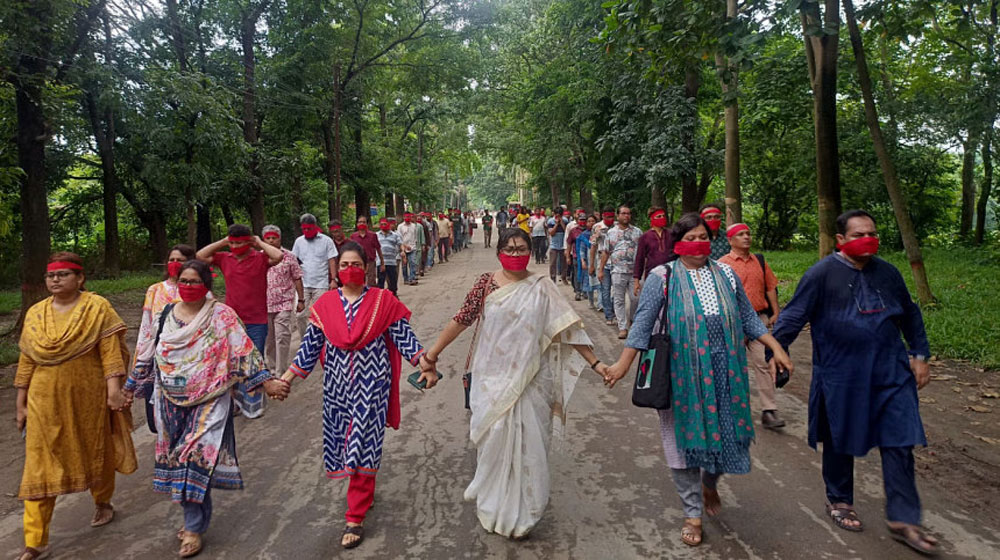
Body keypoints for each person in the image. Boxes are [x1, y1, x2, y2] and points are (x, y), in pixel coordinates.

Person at [603, 214, 794, 547]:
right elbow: (642, 326)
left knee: (729, 435)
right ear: (678, 243)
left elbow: (749, 319)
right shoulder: (661, 277)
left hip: (727, 373)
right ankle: (692, 512)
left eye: (703, 236)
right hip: (681, 376)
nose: (698, 243)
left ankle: (710, 482)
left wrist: (775, 347)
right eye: (690, 237)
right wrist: (622, 366)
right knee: (682, 443)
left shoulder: (727, 275)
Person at [769, 210, 938, 555]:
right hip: (842, 375)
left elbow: (910, 313)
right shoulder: (821, 274)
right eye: (859, 233)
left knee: (900, 441)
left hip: (891, 374)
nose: (868, 239)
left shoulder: (888, 272)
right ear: (841, 240)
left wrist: (919, 354)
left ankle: (904, 519)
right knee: (839, 438)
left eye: (872, 232)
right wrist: (777, 352)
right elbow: (793, 315)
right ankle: (840, 500)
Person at [421, 228, 607, 539]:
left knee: (529, 445)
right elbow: (462, 319)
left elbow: (567, 329)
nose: (517, 253)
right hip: (490, 378)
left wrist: (597, 364)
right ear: (499, 251)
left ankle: (525, 514)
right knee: (494, 441)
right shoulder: (486, 284)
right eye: (510, 248)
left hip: (530, 380)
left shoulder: (542, 287)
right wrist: (432, 353)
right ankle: (494, 507)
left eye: (522, 248)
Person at [123, 260, 288, 558]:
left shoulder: (222, 316)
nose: (187, 287)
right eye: (183, 281)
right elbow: (147, 351)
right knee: (180, 461)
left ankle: (193, 527)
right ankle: (195, 518)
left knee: (193, 459)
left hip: (211, 398)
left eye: (193, 281)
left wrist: (268, 384)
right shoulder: (164, 315)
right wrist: (129, 387)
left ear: (207, 285)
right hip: (169, 401)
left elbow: (244, 352)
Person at [280, 242, 433, 549]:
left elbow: (403, 336)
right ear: (337, 270)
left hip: (372, 388)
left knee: (363, 445)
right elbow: (309, 348)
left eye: (356, 264)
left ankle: (355, 515)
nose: (350, 269)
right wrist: (285, 379)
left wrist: (424, 363)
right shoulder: (324, 305)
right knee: (344, 444)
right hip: (336, 391)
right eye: (345, 264)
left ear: (367, 268)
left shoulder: (382, 301)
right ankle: (364, 490)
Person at [15, 252, 138, 560]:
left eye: (63, 274)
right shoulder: (35, 314)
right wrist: (20, 403)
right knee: (39, 466)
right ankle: (35, 539)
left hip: (88, 397)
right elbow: (27, 360)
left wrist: (114, 392)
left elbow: (111, 353)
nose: (55, 280)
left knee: (96, 450)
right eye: (50, 276)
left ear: (80, 278)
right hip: (42, 400)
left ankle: (102, 502)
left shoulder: (97, 308)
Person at [197, 224, 283, 418]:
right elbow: (200, 256)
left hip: (257, 319)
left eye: (239, 243)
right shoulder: (225, 258)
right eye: (232, 242)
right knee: (232, 362)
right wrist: (223, 242)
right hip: (232, 320)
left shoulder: (260, 258)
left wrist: (258, 241)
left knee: (255, 360)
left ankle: (254, 401)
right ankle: (235, 401)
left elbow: (277, 256)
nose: (235, 246)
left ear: (249, 242)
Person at [718, 223, 784, 429]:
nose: (746, 237)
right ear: (730, 240)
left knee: (763, 363)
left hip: (759, 320)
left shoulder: (759, 260)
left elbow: (770, 286)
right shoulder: (722, 264)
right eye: (740, 235)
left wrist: (776, 311)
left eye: (748, 233)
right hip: (733, 322)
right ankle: (730, 409)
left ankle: (769, 410)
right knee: (732, 365)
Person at [132, 244, 201, 432]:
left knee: (187, 414)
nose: (175, 264)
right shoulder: (155, 290)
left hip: (189, 362)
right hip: (159, 361)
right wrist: (140, 361)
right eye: (172, 260)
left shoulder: (199, 290)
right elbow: (146, 327)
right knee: (159, 420)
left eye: (180, 260)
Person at [263, 225, 305, 376]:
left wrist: (301, 300)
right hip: (264, 305)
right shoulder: (259, 257)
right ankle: (272, 368)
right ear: (263, 240)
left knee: (282, 337)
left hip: (284, 303)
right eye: (268, 238)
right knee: (269, 340)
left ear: (279, 238)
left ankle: (281, 371)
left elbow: (297, 278)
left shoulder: (289, 256)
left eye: (274, 237)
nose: (271, 240)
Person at [599, 205, 643, 339]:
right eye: (623, 213)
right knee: (619, 300)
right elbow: (606, 252)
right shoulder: (611, 233)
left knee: (636, 298)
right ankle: (622, 327)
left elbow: (642, 252)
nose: (626, 216)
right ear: (618, 216)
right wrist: (601, 270)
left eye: (628, 213)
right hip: (617, 271)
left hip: (635, 272)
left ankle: (632, 320)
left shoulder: (638, 232)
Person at [293, 214, 339, 336]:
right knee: (300, 315)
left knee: (321, 314)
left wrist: (333, 279)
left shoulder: (326, 241)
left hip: (321, 284)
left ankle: (322, 338)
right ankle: (305, 340)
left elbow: (332, 260)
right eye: (304, 229)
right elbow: (295, 261)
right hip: (304, 284)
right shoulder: (299, 242)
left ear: (315, 227)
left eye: (309, 229)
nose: (307, 231)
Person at [634, 206, 675, 297]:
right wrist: (637, 280)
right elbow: (639, 259)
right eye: (659, 216)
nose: (662, 218)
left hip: (671, 274)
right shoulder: (645, 237)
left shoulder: (671, 234)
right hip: (652, 274)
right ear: (652, 218)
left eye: (663, 216)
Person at [591, 208, 616, 324]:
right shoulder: (597, 228)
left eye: (612, 216)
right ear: (603, 216)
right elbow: (593, 246)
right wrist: (592, 264)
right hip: (603, 262)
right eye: (608, 217)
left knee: (616, 291)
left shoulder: (617, 227)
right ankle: (609, 316)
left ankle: (614, 311)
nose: (610, 219)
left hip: (617, 263)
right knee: (605, 290)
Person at [349, 215, 385, 287]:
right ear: (357, 224)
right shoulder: (353, 236)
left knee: (371, 283)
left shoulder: (373, 235)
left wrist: (382, 263)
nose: (362, 224)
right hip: (357, 263)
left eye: (364, 222)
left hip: (370, 262)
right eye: (360, 222)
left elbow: (378, 249)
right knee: (358, 282)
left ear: (367, 224)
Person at [574, 215, 597, 305]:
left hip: (598, 260)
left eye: (593, 221)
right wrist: (583, 261)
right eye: (589, 221)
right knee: (589, 280)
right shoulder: (583, 235)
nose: (591, 223)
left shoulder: (601, 233)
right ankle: (590, 300)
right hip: (588, 261)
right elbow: (582, 250)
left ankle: (600, 303)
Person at [377, 218, 402, 295]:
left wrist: (403, 251)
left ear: (388, 225)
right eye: (382, 224)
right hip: (380, 262)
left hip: (391, 262)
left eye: (385, 224)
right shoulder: (376, 235)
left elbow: (400, 244)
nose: (383, 226)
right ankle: (380, 298)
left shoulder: (395, 235)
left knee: (392, 282)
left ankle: (393, 297)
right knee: (380, 282)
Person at [397, 212, 422, 286]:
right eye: (406, 217)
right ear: (403, 217)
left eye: (409, 217)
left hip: (413, 247)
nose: (407, 218)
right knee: (404, 265)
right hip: (403, 248)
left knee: (413, 263)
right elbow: (399, 238)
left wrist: (415, 245)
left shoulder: (414, 226)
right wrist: (403, 247)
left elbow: (415, 236)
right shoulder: (400, 226)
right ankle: (406, 279)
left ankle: (412, 278)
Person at [548, 208, 569, 284]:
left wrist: (562, 222)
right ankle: (553, 278)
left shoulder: (565, 220)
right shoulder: (550, 221)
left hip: (563, 245)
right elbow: (551, 233)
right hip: (554, 245)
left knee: (564, 263)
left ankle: (564, 277)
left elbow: (566, 231)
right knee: (552, 263)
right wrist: (556, 224)